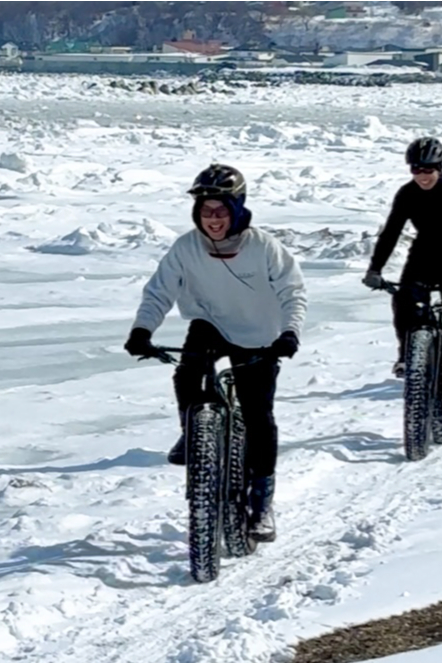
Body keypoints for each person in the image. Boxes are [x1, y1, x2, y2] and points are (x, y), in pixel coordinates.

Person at [123, 163, 307, 543]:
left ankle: (262, 502)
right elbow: (160, 290)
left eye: (221, 210)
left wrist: (289, 333)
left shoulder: (263, 246)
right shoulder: (186, 247)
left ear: (237, 208)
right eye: (206, 211)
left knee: (258, 415)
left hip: (259, 335)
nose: (213, 219)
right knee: (188, 373)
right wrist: (142, 330)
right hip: (211, 324)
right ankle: (194, 433)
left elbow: (293, 291)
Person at [362, 137, 442, 427]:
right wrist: (375, 269)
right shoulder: (407, 193)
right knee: (404, 298)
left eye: (428, 169)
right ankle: (407, 355)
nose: (422, 175)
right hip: (424, 254)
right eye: (416, 169)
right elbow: (391, 232)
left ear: (439, 167)